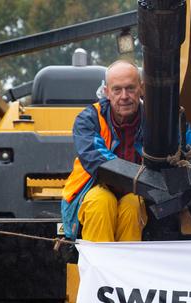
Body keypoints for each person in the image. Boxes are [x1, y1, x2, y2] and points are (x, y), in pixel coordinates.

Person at [61, 59, 147, 242]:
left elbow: (188, 137)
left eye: (130, 88)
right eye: (117, 89)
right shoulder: (88, 119)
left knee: (133, 205)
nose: (124, 96)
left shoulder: (156, 119)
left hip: (136, 194)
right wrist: (146, 179)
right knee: (100, 202)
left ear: (142, 88)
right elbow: (95, 158)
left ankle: (127, 269)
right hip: (95, 188)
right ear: (107, 92)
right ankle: (100, 269)